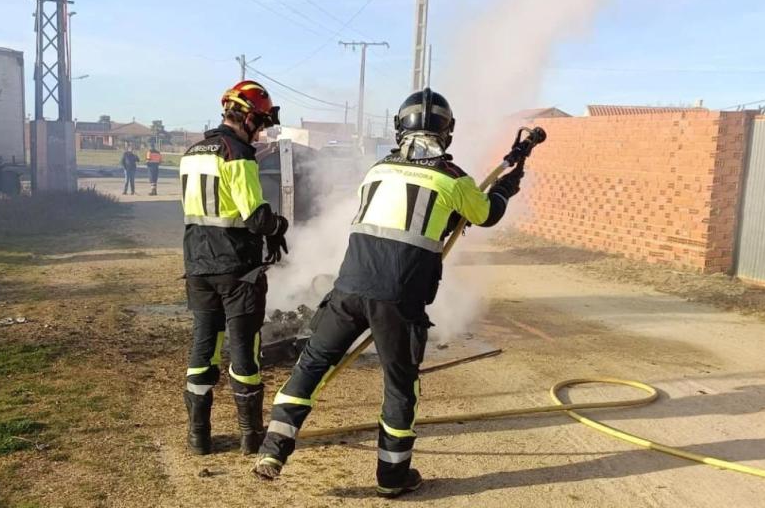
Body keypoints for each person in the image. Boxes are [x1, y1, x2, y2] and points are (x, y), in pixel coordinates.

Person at [252, 88, 525, 498]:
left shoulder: (378, 170)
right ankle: (392, 477)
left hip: (348, 289)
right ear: (447, 132)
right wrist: (507, 186)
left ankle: (273, 450)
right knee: (400, 386)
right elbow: (487, 214)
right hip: (398, 300)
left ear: (400, 128)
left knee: (311, 366)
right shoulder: (453, 179)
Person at [180, 80, 289, 456]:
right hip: (237, 269)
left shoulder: (193, 152)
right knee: (245, 350)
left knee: (203, 348)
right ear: (249, 117)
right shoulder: (237, 153)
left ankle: (198, 437)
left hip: (197, 266)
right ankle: (250, 437)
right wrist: (279, 227)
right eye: (260, 123)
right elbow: (256, 217)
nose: (260, 132)